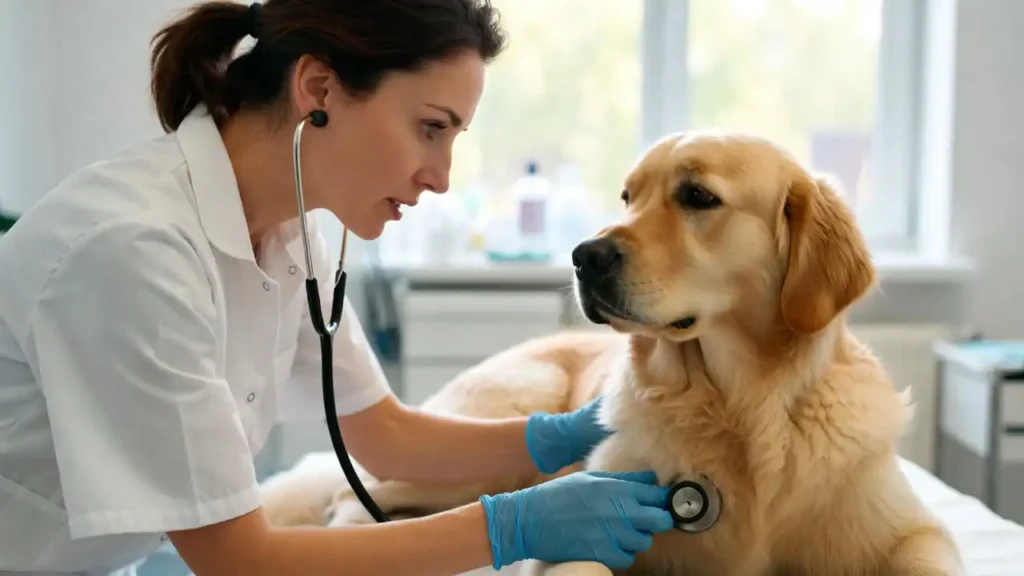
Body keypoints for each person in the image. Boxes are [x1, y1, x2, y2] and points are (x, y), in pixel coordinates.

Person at [0, 1, 677, 575]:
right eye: (431, 128)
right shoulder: (134, 250)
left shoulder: (289, 234)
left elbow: (385, 437)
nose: (441, 176)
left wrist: (565, 434)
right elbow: (239, 559)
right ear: (318, 89)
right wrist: (511, 527)